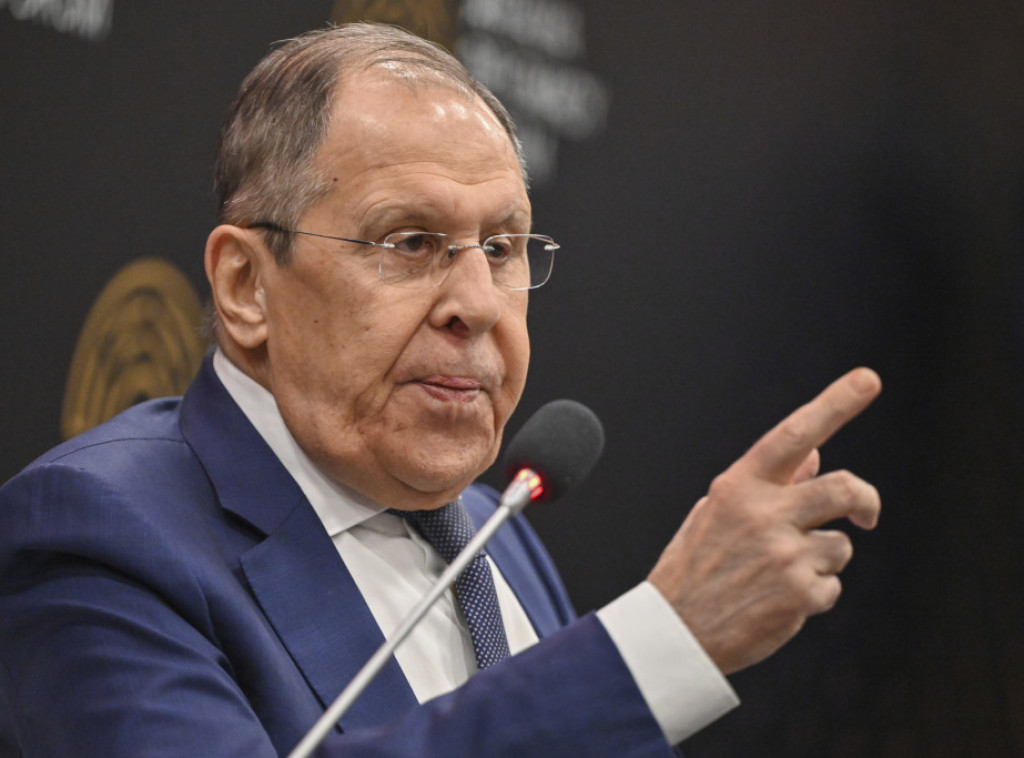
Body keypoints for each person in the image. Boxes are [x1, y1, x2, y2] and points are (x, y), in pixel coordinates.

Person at [0, 23, 882, 757]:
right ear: (246, 286)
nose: (477, 304)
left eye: (500, 248)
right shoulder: (100, 536)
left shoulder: (494, 531)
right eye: (410, 242)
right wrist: (660, 643)